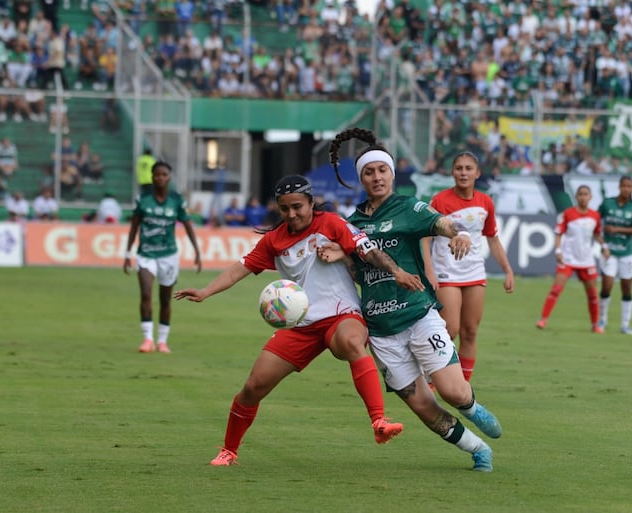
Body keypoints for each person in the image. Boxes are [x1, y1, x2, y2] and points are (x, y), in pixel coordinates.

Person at [174, 175, 415, 467]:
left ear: (312, 202)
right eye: (285, 208)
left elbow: (368, 251)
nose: (292, 214)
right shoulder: (274, 240)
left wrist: (397, 271)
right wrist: (205, 291)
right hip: (300, 324)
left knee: (352, 342)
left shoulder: (332, 224)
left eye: (298, 206)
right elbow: (240, 269)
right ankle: (229, 450)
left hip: (341, 315)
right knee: (253, 387)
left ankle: (379, 421)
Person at [322, 128, 501, 472]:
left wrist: (460, 233)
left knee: (453, 393)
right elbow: (356, 271)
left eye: (382, 170)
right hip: (381, 331)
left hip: (418, 316)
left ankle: (472, 407)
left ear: (392, 174)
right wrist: (339, 256)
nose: (377, 177)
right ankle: (477, 449)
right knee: (423, 407)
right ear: (362, 178)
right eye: (369, 172)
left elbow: (441, 223)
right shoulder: (353, 223)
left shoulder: (407, 207)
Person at [424, 151, 515, 382]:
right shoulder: (440, 200)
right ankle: (435, 381)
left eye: (468, 168)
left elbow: (492, 238)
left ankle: (463, 387)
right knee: (449, 330)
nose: (463, 173)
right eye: (459, 168)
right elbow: (425, 238)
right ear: (452, 172)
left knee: (470, 332)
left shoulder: (485, 202)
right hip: (446, 273)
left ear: (477, 173)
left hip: (474, 272)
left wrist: (507, 269)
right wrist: (429, 270)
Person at [124, 161, 203, 354]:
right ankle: (147, 339)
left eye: (164, 174)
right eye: (157, 174)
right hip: (146, 254)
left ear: (169, 177)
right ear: (151, 177)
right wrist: (127, 254)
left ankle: (162, 341)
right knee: (145, 293)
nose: (160, 178)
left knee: (165, 299)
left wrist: (197, 251)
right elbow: (134, 226)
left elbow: (187, 225)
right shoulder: (142, 199)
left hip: (168, 255)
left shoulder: (176, 200)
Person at [536, 185, 610, 333]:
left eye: (586, 194)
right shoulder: (568, 214)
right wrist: (558, 251)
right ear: (576, 197)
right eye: (580, 194)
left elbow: (596, 234)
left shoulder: (595, 216)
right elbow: (558, 233)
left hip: (586, 259)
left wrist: (605, 246)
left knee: (592, 294)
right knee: (556, 289)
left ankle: (595, 324)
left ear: (590, 197)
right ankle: (543, 319)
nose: (583, 197)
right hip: (568, 258)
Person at [597, 176, 632, 335]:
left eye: (629, 186)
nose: (626, 189)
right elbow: (596, 224)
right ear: (619, 186)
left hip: (627, 253)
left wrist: (617, 230)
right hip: (610, 252)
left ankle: (625, 324)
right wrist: (602, 243)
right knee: (607, 286)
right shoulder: (607, 204)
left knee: (626, 288)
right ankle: (602, 319)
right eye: (624, 186)